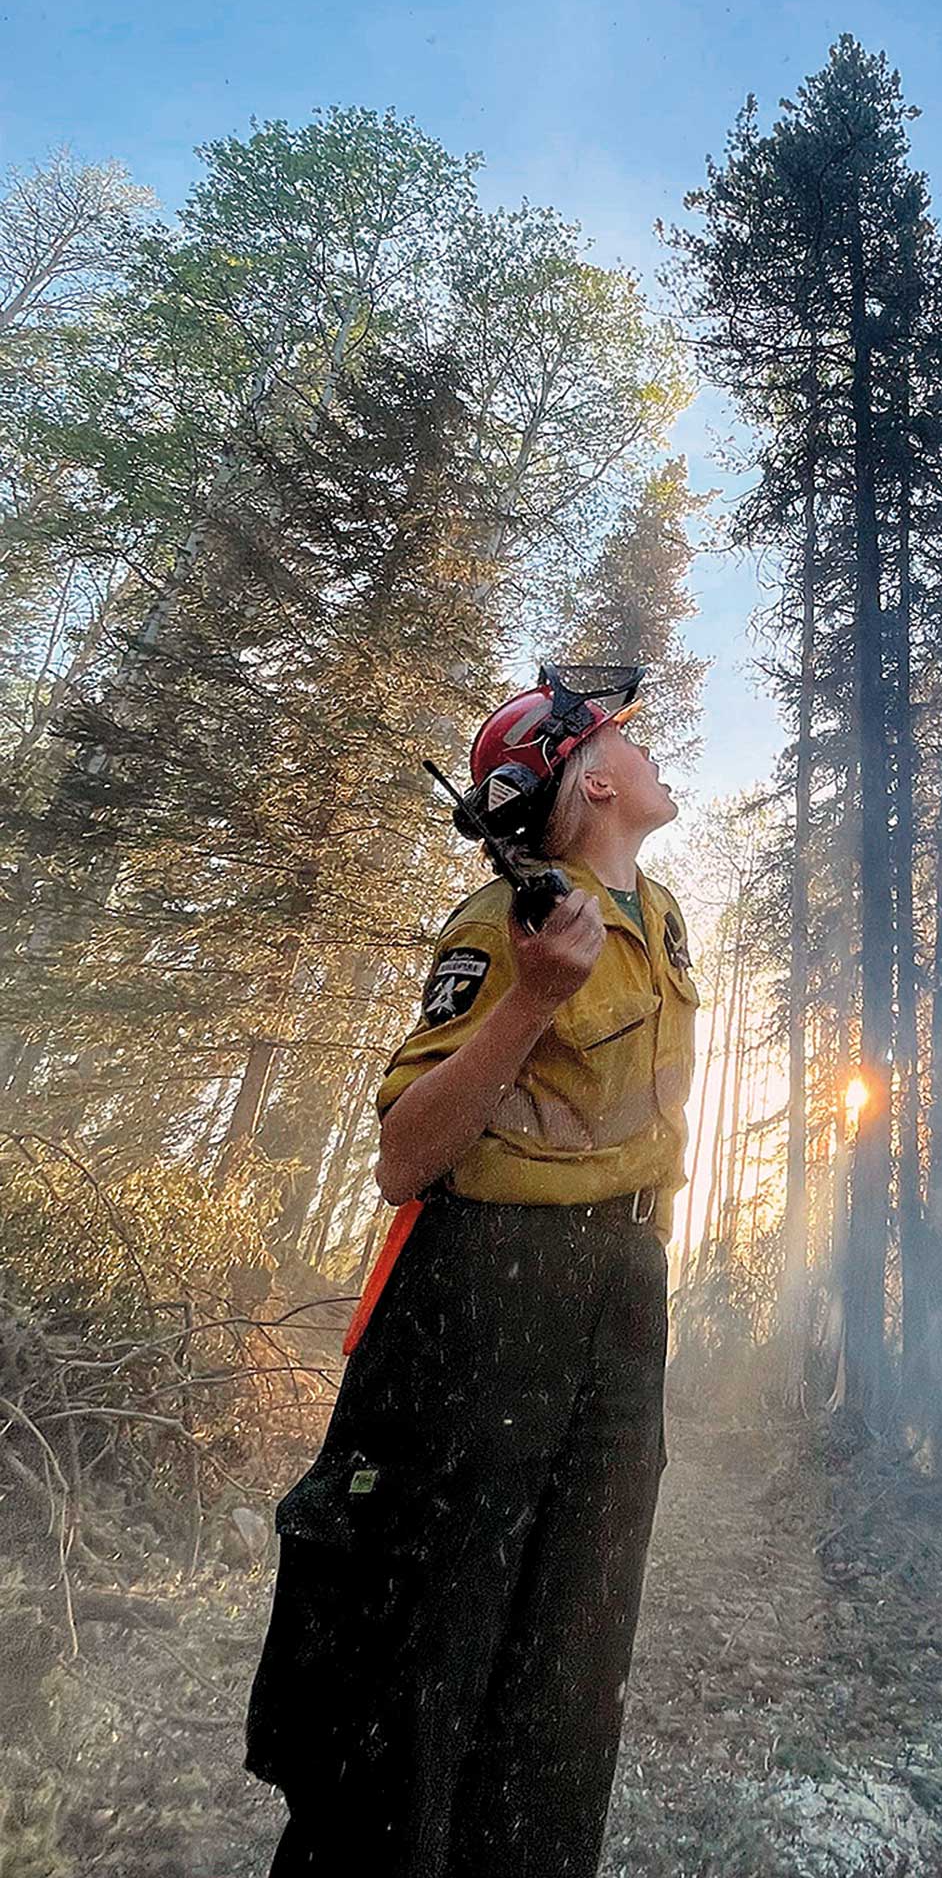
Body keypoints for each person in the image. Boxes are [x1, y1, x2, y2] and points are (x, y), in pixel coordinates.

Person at [246, 666, 698, 1878]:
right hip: (493, 1295)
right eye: (623, 741)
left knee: (573, 1647)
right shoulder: (504, 924)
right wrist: (533, 996)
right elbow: (405, 1154)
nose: (647, 754)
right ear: (593, 780)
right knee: (425, 1643)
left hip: (620, 1294)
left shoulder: (660, 923)